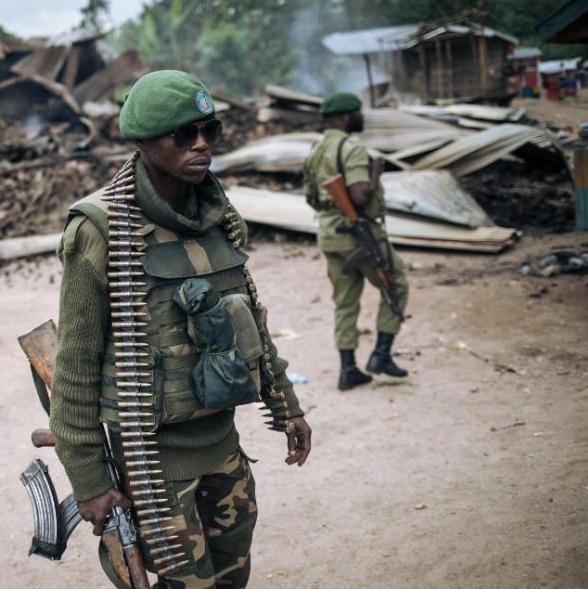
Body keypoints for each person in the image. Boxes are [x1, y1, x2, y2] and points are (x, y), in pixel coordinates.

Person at [49, 70, 312, 588]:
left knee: (234, 578)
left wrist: (286, 404)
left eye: (209, 131)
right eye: (183, 135)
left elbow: (249, 322)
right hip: (154, 466)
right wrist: (89, 480)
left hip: (224, 447)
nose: (201, 146)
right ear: (143, 142)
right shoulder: (100, 229)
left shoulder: (217, 212)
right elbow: (74, 368)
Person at [302, 92, 409, 391]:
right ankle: (381, 355)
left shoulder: (316, 149)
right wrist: (375, 174)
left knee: (345, 301)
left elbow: (311, 197)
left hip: (329, 235)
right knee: (396, 284)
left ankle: (348, 369)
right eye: (358, 113)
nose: (361, 117)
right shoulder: (351, 147)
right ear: (343, 117)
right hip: (358, 234)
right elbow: (360, 194)